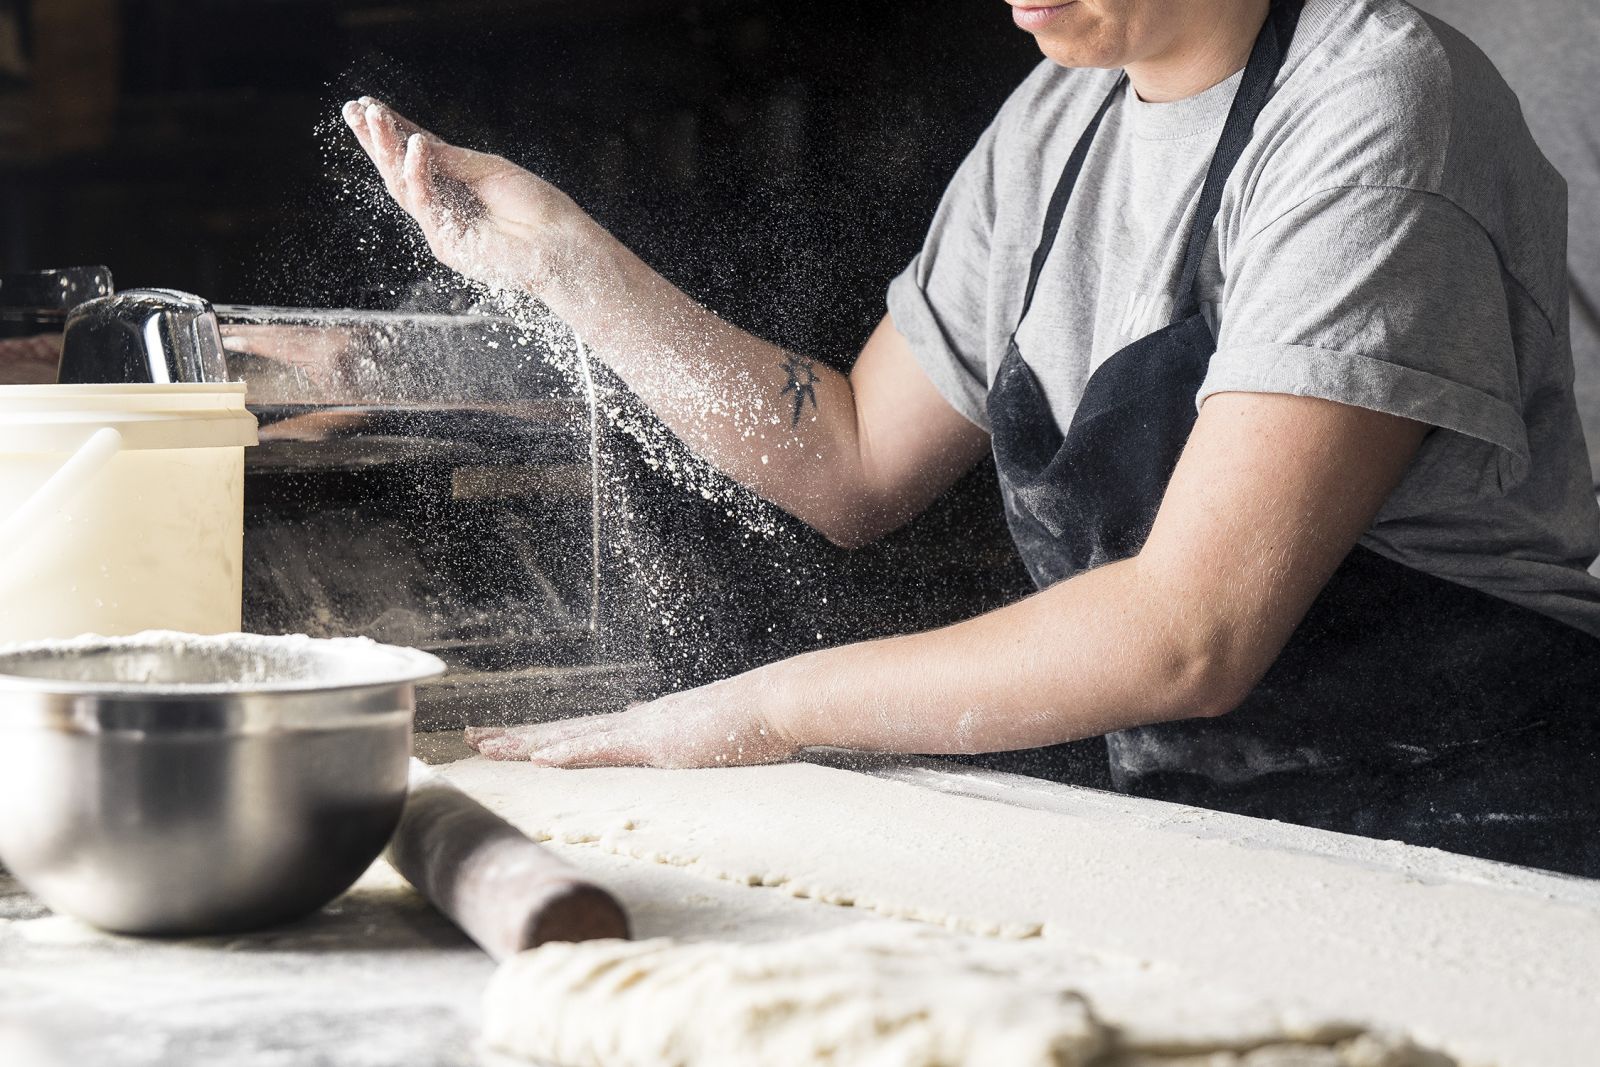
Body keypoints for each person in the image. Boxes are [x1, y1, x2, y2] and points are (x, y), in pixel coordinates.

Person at [347, 0, 1600, 877]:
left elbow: (1188, 635)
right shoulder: (1061, 117)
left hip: (1477, 826)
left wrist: (763, 709)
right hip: (1226, 825)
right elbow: (851, 462)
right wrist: (567, 266)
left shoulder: (1373, 105)